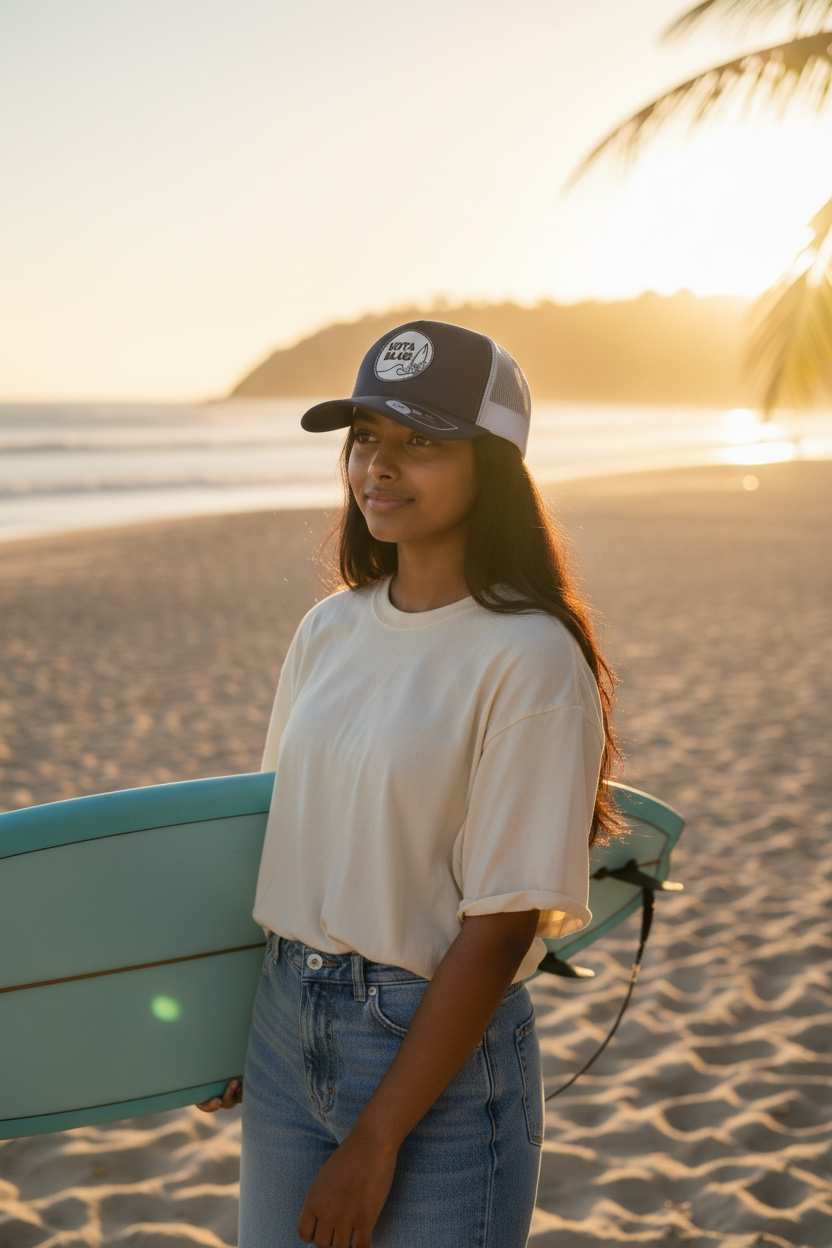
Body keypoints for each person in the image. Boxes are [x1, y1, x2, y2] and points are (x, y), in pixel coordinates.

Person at [197, 320, 619, 1248]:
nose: (378, 467)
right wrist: (226, 1029)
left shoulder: (533, 658)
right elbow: (277, 836)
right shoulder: (328, 630)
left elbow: (505, 918)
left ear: (494, 463)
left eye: (420, 440)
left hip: (432, 1050)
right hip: (281, 1019)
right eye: (366, 439)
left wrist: (380, 1135)